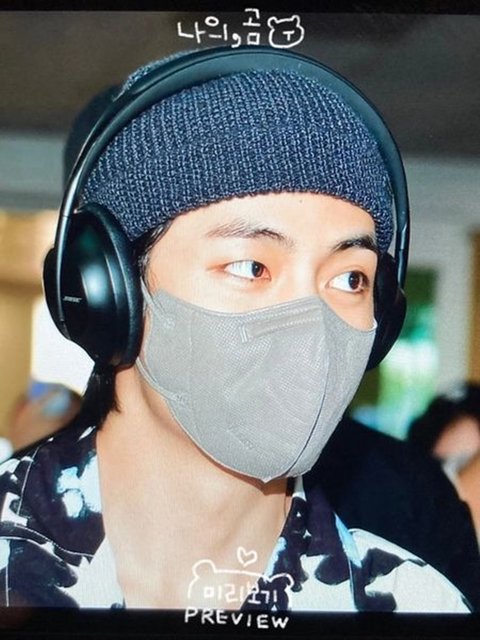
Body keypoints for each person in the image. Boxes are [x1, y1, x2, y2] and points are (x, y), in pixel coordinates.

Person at [0, 46, 470, 613]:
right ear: (108, 293)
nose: (310, 330)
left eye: (350, 278)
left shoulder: (419, 605)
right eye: (251, 267)